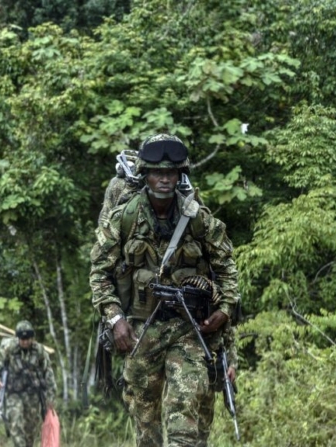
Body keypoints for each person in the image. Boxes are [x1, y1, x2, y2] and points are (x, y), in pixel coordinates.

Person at [90, 133, 241, 446]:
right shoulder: (124, 218)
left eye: (171, 173)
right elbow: (100, 273)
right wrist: (115, 319)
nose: (164, 179)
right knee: (146, 430)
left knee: (185, 415)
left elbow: (227, 268)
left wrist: (224, 310)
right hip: (141, 331)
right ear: (146, 175)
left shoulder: (198, 219)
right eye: (157, 172)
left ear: (179, 175)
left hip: (189, 329)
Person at [0, 320, 57, 447]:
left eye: (28, 339)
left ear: (32, 338)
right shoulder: (9, 349)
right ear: (18, 338)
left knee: (30, 432)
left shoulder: (39, 351)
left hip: (32, 395)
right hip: (13, 394)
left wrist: (50, 397)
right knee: (15, 425)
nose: (25, 342)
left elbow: (48, 374)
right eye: (22, 339)